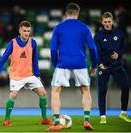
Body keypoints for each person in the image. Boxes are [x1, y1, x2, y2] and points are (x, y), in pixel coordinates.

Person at [0, 20, 52, 126]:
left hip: (29, 75)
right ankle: (7, 120)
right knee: (13, 95)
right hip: (16, 75)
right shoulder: (12, 43)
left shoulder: (33, 42)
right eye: (24, 31)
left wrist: (37, 75)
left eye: (28, 31)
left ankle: (44, 119)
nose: (26, 33)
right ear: (20, 31)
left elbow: (35, 60)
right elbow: (4, 58)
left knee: (43, 93)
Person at [47, 2, 98, 131]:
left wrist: (55, 64)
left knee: (55, 91)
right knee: (85, 91)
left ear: (66, 14)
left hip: (62, 64)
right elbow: (92, 48)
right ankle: (86, 121)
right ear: (78, 13)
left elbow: (53, 49)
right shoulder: (85, 28)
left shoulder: (58, 28)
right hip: (80, 64)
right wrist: (94, 65)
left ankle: (57, 122)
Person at [94, 12, 131, 124]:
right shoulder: (98, 36)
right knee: (102, 91)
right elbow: (96, 51)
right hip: (104, 66)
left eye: (109, 21)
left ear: (112, 22)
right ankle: (103, 117)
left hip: (116, 65)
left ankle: (123, 113)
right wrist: (99, 63)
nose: (107, 24)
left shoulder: (119, 34)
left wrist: (119, 55)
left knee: (126, 86)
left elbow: (122, 48)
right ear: (102, 22)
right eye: (105, 22)